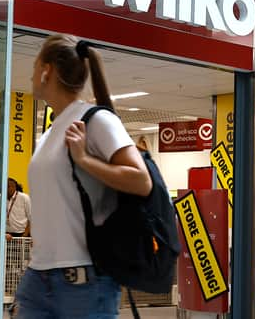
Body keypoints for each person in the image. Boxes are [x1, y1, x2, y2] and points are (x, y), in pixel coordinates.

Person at [13, 34, 152, 319]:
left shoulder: (96, 120)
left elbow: (141, 180)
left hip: (83, 284)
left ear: (47, 71)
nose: (32, 72)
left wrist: (85, 160)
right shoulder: (51, 132)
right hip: (38, 279)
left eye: (35, 63)